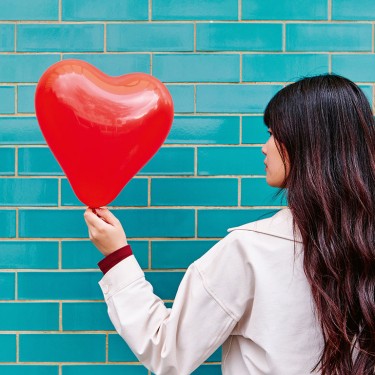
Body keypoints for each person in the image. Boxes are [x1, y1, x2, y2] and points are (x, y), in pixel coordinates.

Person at [84, 74, 375, 375]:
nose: (265, 147)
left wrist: (116, 255)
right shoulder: (365, 247)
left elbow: (166, 352)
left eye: (274, 134)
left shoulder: (251, 251)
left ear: (305, 144)